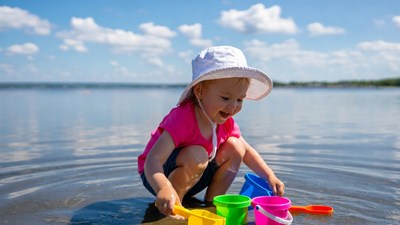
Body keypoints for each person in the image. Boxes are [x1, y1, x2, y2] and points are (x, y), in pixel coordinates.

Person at [137, 45, 285, 216]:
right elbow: (152, 161)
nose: (233, 106)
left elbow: (248, 152)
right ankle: (173, 207)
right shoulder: (182, 118)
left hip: (194, 173)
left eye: (240, 99)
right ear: (199, 91)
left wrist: (270, 176)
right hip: (157, 175)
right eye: (225, 98)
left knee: (237, 146)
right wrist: (163, 188)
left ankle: (212, 203)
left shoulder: (225, 121)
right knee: (198, 153)